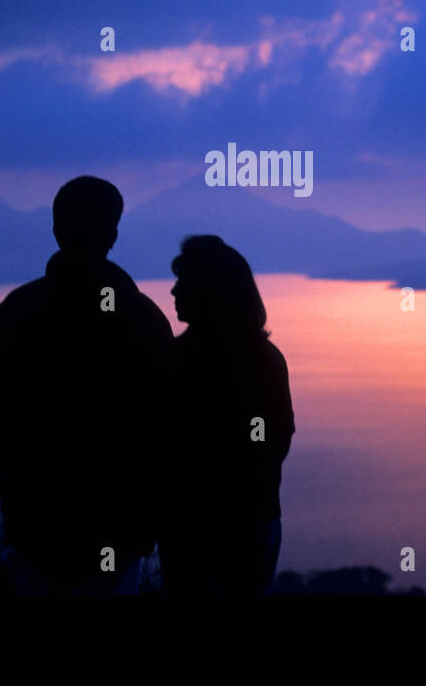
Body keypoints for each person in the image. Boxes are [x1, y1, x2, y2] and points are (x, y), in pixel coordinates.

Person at [0, 176, 173, 594]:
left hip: (38, 521)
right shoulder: (143, 319)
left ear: (56, 229)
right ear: (113, 234)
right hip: (119, 522)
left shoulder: (16, 313)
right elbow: (166, 425)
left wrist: (31, 471)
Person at [159, 235, 295, 594]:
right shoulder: (264, 359)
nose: (173, 292)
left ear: (209, 290)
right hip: (249, 519)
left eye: (183, 282)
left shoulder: (177, 360)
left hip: (200, 526)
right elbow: (273, 441)